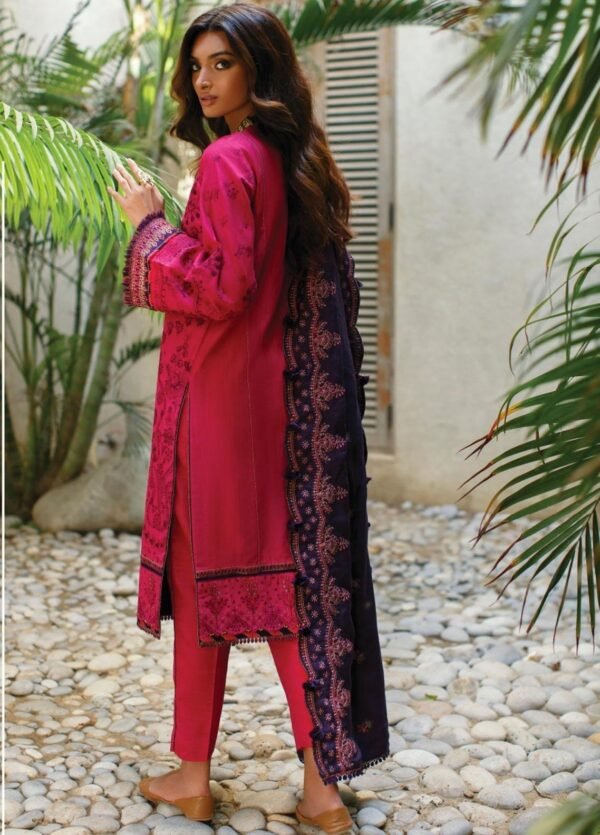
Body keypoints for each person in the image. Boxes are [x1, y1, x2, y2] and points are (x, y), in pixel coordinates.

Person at [108, 3, 389, 832]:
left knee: (219, 588)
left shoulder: (230, 160)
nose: (203, 80)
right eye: (197, 66)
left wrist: (148, 230)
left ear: (259, 69)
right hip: (276, 405)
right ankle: (310, 788)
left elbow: (222, 285)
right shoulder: (287, 158)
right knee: (273, 585)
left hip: (217, 406)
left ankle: (209, 777)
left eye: (222, 63)